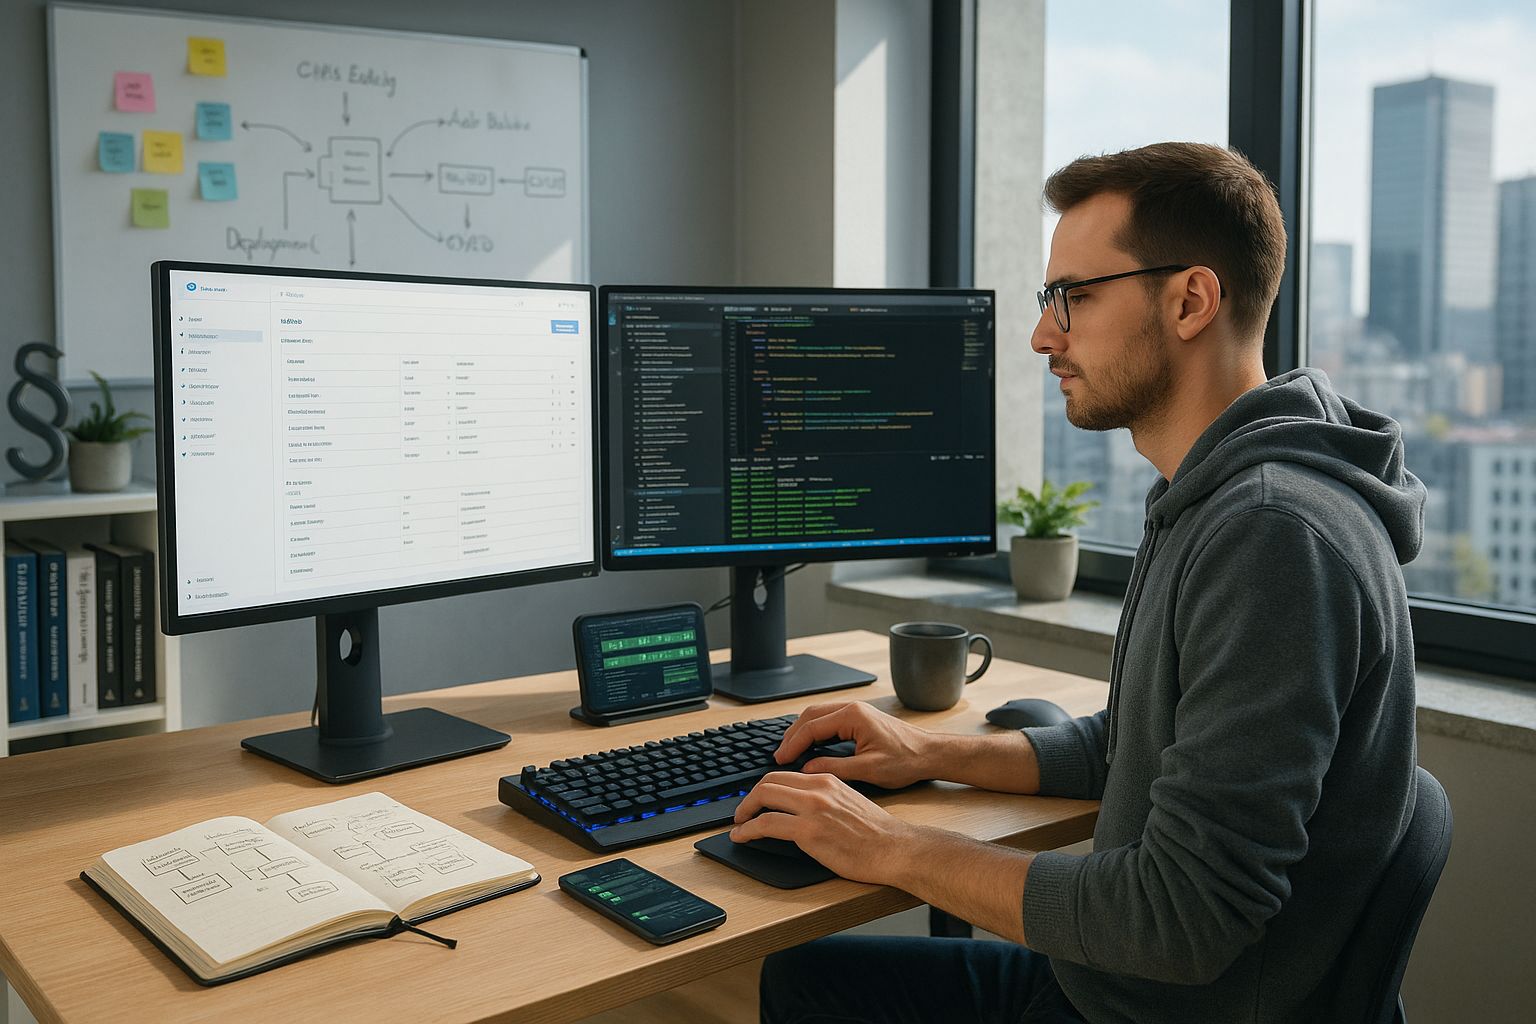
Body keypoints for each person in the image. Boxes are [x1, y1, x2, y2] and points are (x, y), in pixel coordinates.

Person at [734, 142, 1426, 1024]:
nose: (1041, 333)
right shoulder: (1214, 493)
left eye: (1076, 296)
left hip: (1149, 1010)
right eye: (1046, 298)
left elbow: (1180, 919)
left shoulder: (1271, 535)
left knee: (815, 982)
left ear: (1190, 300)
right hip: (1117, 989)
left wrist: (895, 847)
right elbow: (1137, 746)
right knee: (806, 977)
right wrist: (930, 754)